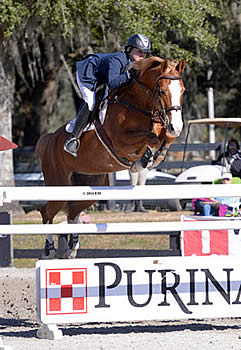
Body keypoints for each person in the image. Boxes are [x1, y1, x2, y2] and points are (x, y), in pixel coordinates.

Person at [64, 34, 152, 157]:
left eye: (144, 53)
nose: (142, 56)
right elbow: (112, 83)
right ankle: (73, 139)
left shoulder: (135, 64)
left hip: (102, 76)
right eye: (139, 52)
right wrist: (129, 75)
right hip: (88, 73)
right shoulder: (117, 60)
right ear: (130, 50)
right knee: (91, 102)